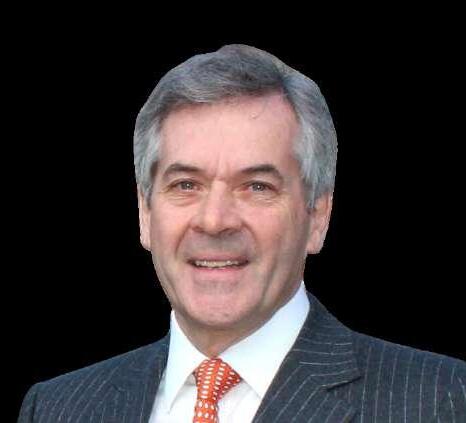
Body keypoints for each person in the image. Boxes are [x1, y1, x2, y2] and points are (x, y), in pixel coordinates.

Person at [18, 44, 465, 423]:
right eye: (186, 185)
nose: (215, 221)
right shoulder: (57, 408)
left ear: (317, 216)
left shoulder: (442, 400)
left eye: (256, 187)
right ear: (145, 212)